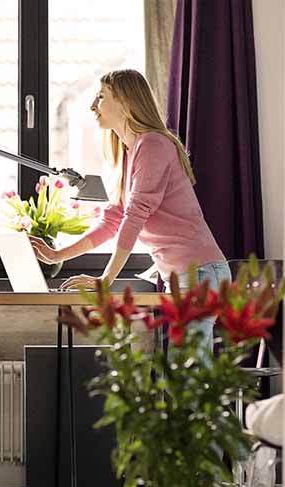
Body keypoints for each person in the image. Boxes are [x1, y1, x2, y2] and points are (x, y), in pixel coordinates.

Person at [29, 68, 230, 343]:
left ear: (124, 101)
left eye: (100, 97)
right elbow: (113, 220)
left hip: (199, 272)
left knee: (188, 373)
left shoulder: (154, 145)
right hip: (183, 274)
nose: (92, 106)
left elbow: (134, 216)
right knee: (185, 374)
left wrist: (105, 279)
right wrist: (57, 255)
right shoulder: (127, 153)